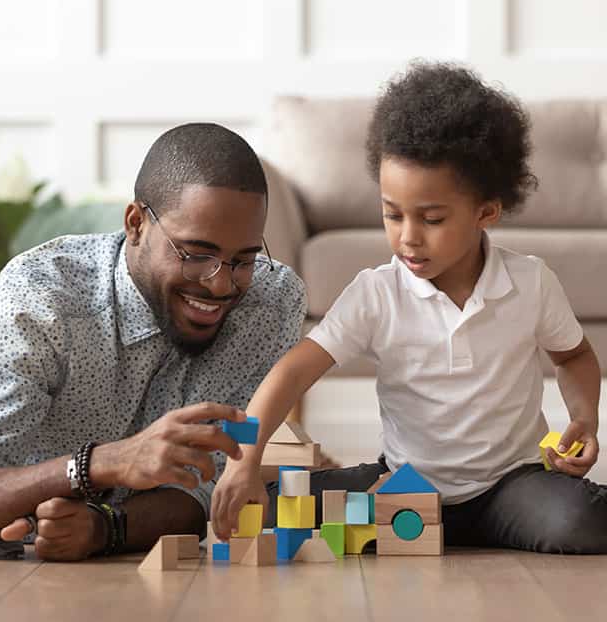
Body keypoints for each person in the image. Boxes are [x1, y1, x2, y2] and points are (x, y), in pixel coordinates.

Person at [212, 62, 607, 553]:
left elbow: (573, 356)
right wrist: (243, 462)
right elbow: (291, 373)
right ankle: (403, 521)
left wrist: (584, 419)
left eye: (432, 218)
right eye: (392, 214)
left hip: (511, 486)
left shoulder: (530, 282)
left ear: (487, 211)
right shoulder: (376, 293)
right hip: (404, 485)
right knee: (267, 504)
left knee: (580, 523)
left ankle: (451, 529)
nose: (407, 237)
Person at [0, 123, 308, 560]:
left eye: (242, 260)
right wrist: (99, 465)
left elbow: (210, 488)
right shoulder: (38, 300)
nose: (221, 285)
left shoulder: (270, 304)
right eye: (196, 255)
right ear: (135, 224)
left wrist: (107, 527)